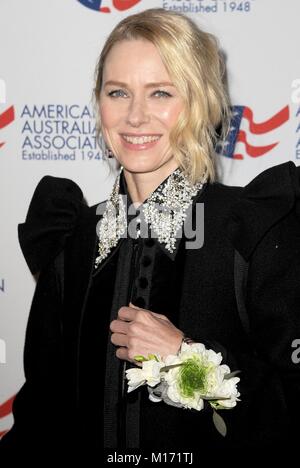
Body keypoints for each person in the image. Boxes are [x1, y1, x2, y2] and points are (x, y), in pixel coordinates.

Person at [1, 7, 300, 462]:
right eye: (118, 92)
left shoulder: (251, 229)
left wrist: (187, 361)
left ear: (199, 104)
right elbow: (44, 412)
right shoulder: (74, 238)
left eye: (160, 93)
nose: (135, 116)